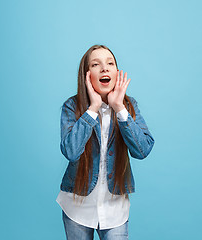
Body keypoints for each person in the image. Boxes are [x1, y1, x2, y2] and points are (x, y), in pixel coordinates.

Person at [56, 44, 154, 240]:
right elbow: (71, 151)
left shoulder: (129, 106)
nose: (104, 68)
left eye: (110, 63)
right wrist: (92, 109)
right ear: (86, 75)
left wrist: (119, 109)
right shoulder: (72, 106)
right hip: (77, 208)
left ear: (116, 72)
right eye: (95, 64)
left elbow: (142, 150)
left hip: (115, 209)